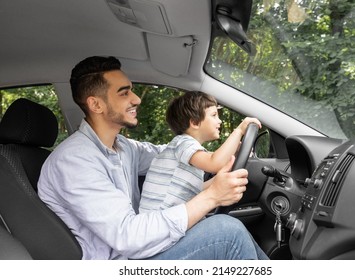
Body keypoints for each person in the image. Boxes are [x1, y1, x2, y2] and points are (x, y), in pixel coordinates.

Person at [38, 56, 269, 260]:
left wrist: (227, 152)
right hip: (121, 262)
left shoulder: (123, 147)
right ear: (95, 104)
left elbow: (168, 154)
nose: (137, 99)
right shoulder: (74, 160)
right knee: (226, 232)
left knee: (229, 230)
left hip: (138, 253)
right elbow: (128, 237)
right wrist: (211, 196)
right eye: (124, 92)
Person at [139, 91, 261, 213]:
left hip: (172, 218)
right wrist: (239, 131)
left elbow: (198, 188)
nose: (219, 121)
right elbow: (214, 163)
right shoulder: (183, 143)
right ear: (195, 123)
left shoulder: (191, 152)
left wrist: (232, 160)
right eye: (214, 115)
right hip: (161, 222)